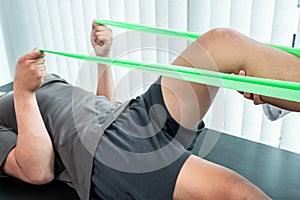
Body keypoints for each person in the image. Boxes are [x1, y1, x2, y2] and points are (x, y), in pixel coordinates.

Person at [0, 20, 299, 200]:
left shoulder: (27, 87)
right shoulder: (14, 100)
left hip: (131, 116)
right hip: (109, 154)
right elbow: (37, 169)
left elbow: (99, 107)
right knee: (235, 192)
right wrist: (24, 93)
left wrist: (104, 57)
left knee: (222, 42)